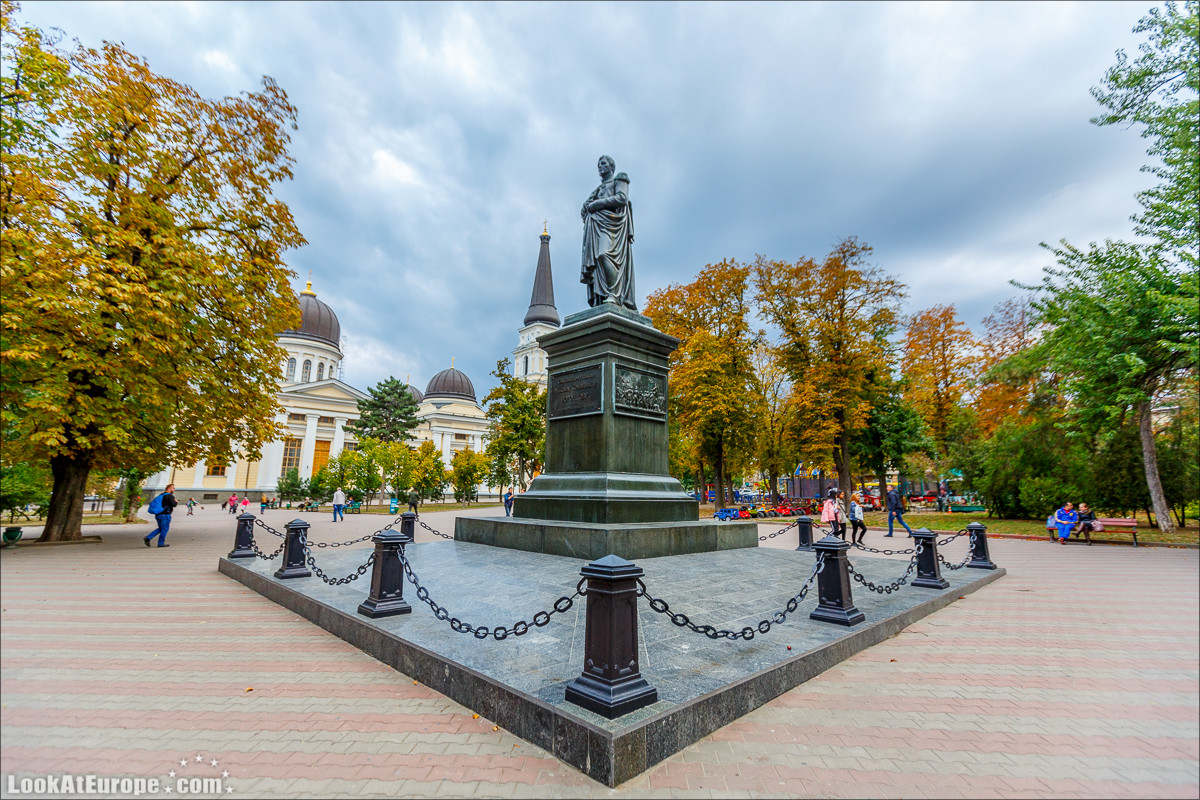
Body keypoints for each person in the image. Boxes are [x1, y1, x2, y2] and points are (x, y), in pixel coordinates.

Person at [580, 155, 637, 310]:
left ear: (611, 166)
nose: (600, 166)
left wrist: (595, 204)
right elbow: (586, 210)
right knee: (598, 260)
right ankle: (603, 297)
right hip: (597, 227)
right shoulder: (596, 190)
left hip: (612, 226)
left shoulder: (620, 178)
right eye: (598, 164)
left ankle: (614, 294)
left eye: (603, 163)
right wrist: (586, 207)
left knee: (603, 254)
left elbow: (622, 198)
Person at [144, 484, 178, 548]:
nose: (174, 490)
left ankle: (148, 538)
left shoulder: (161, 495)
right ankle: (161, 543)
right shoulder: (170, 496)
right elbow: (174, 505)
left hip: (158, 514)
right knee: (165, 529)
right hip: (165, 515)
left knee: (161, 528)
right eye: (173, 488)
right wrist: (176, 502)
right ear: (169, 488)